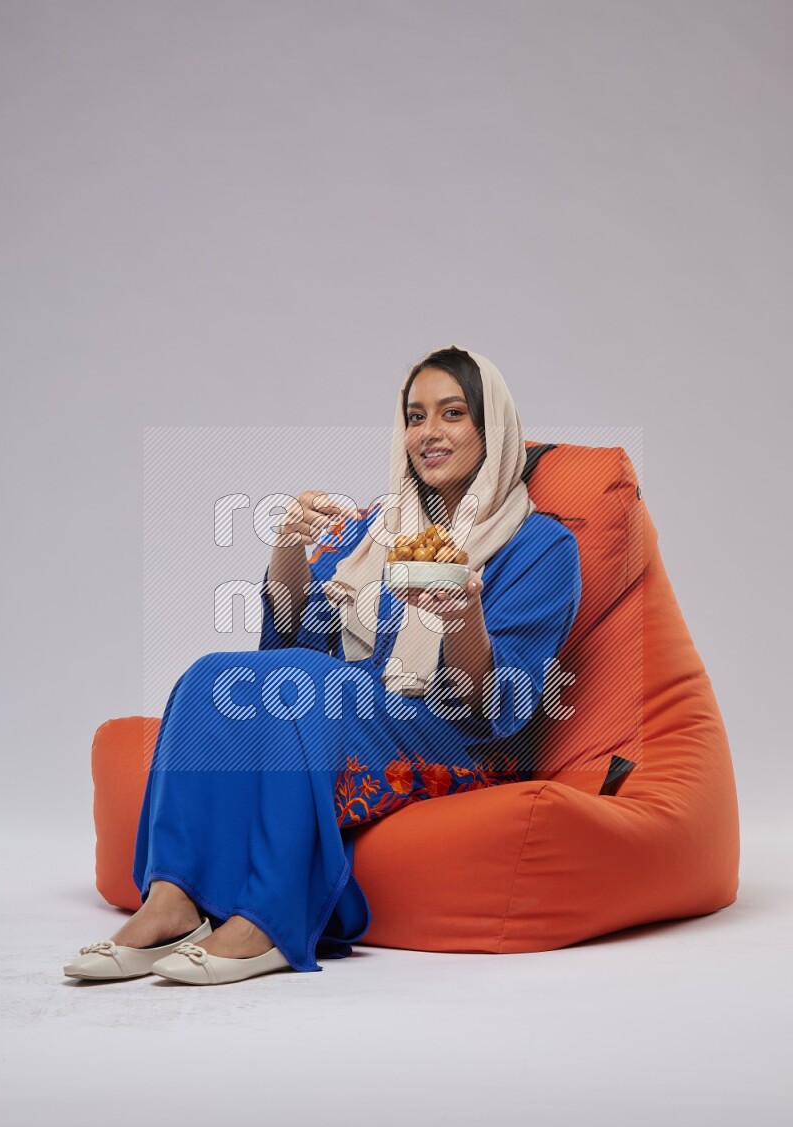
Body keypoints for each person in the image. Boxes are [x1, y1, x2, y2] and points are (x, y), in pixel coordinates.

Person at [63, 344, 582, 986]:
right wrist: (287, 548)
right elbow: (289, 646)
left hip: (457, 735)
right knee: (209, 675)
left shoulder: (543, 545)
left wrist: (462, 616)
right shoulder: (375, 531)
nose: (429, 432)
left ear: (492, 428)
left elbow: (498, 705)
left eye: (452, 413)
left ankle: (269, 921)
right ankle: (172, 900)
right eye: (415, 416)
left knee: (310, 689)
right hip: (354, 704)